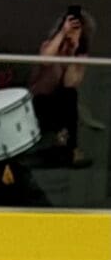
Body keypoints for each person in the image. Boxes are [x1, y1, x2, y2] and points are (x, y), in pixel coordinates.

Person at [34, 9, 92, 158]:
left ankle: (70, 147)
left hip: (63, 102)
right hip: (42, 99)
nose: (72, 31)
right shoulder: (49, 45)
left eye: (76, 28)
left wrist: (72, 52)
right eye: (70, 26)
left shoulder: (81, 56)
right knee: (46, 101)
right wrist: (62, 33)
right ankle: (63, 144)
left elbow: (70, 83)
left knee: (70, 94)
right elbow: (45, 61)